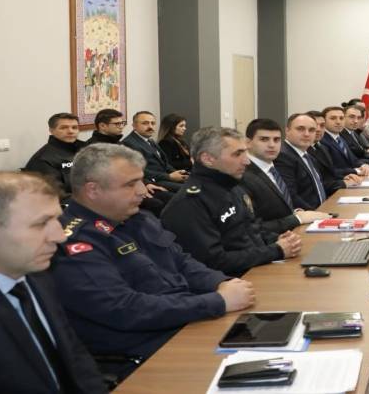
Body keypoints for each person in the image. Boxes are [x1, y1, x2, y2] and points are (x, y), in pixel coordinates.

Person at [50, 144, 254, 376]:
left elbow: (182, 262)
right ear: (93, 190)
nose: (141, 191)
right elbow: (125, 309)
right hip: (148, 351)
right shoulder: (74, 243)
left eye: (141, 180)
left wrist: (222, 284)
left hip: (188, 322)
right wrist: (216, 301)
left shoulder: (138, 218)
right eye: (130, 184)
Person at [0, 172, 107, 393]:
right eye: (41, 224)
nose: (60, 236)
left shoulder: (35, 272)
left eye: (57, 220)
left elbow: (75, 358)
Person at [161, 127, 302, 277]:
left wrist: (276, 239)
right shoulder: (189, 204)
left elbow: (251, 229)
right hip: (232, 282)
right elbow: (212, 261)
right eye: (237, 154)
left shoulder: (233, 186)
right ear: (208, 159)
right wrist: (276, 250)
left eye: (245, 152)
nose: (247, 161)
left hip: (257, 268)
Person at [241, 119, 330, 234]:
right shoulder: (243, 175)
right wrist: (297, 219)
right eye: (264, 139)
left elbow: (279, 207)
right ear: (248, 143)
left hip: (293, 232)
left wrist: (296, 212)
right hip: (274, 239)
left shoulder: (273, 168)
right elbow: (252, 228)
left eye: (276, 140)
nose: (272, 145)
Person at [276, 113, 349, 210]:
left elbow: (318, 186)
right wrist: (316, 213)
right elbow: (290, 196)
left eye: (311, 130)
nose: (307, 134)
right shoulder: (283, 156)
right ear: (287, 130)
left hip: (324, 208)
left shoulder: (307, 155)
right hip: (309, 213)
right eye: (300, 129)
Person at [121, 111, 188, 191]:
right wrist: (169, 176)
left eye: (153, 123)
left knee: (196, 183)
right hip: (153, 181)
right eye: (145, 123)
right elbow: (139, 170)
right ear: (134, 126)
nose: (150, 126)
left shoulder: (150, 140)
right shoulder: (129, 143)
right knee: (190, 190)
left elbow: (164, 163)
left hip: (164, 178)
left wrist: (178, 173)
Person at [24, 112, 85, 200]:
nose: (70, 131)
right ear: (51, 131)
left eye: (74, 127)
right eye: (64, 128)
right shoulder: (43, 159)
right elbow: (56, 196)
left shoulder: (86, 149)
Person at [319, 106, 369, 176]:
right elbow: (331, 170)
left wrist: (363, 165)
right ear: (324, 121)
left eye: (341, 118)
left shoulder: (340, 138)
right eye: (333, 118)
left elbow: (353, 160)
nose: (338, 122)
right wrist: (356, 171)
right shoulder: (321, 141)